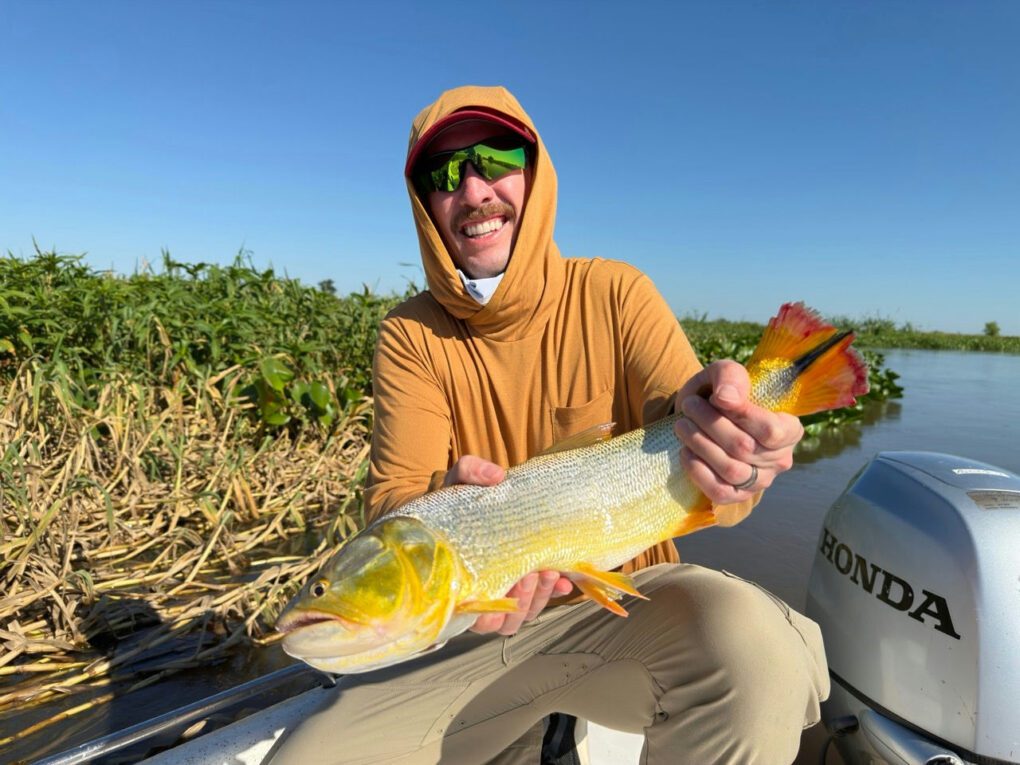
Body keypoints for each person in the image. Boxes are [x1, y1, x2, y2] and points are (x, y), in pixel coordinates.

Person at [271, 85, 828, 765]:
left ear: (535, 172)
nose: (473, 190)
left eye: (495, 158)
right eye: (444, 173)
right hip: (472, 633)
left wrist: (736, 451)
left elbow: (703, 456)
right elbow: (393, 501)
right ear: (423, 203)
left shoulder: (616, 291)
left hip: (629, 610)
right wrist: (436, 499)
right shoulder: (409, 334)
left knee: (756, 655)